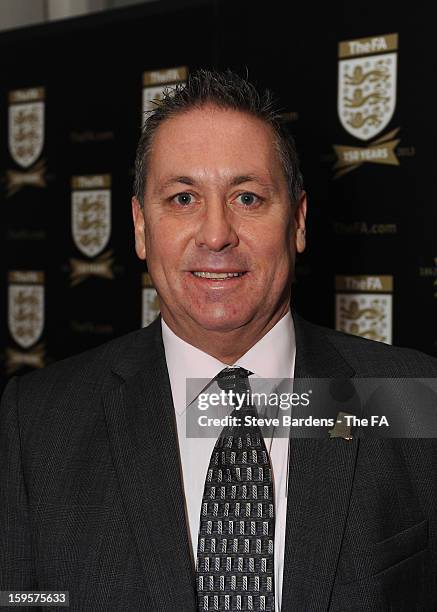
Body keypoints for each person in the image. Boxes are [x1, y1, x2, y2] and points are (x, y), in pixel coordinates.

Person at [1, 69, 436, 612]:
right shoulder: (36, 424)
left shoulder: (412, 400)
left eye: (248, 198)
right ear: (139, 227)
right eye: (183, 198)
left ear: (298, 221)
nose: (215, 234)